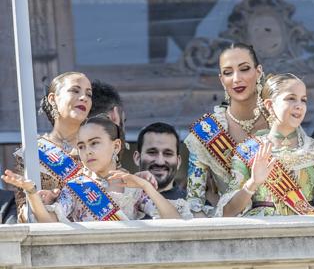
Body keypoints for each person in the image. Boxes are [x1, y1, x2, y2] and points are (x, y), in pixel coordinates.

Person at [2, 116, 184, 222]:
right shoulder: (76, 187)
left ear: (116, 146)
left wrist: (145, 185)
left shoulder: (133, 186)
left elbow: (174, 220)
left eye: (94, 143)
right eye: (81, 146)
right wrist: (32, 192)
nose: (87, 151)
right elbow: (49, 222)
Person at [218, 73, 314, 217]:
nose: (299, 106)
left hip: (306, 229)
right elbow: (227, 213)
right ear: (269, 105)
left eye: (303, 100)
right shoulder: (248, 150)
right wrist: (253, 183)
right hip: (263, 233)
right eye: (291, 99)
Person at [184, 43, 269, 217]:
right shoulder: (206, 133)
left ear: (258, 72)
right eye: (228, 72)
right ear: (222, 80)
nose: (236, 78)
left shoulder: (279, 121)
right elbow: (193, 204)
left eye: (244, 69)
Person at [13, 72, 92, 222]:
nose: (84, 98)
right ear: (53, 98)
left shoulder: (97, 146)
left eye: (89, 94)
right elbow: (24, 212)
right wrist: (40, 202)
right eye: (75, 91)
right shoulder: (32, 151)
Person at [133, 122, 186, 200]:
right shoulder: (119, 201)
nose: (160, 162)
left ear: (178, 162)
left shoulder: (194, 206)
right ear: (137, 158)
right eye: (152, 152)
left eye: (168, 154)